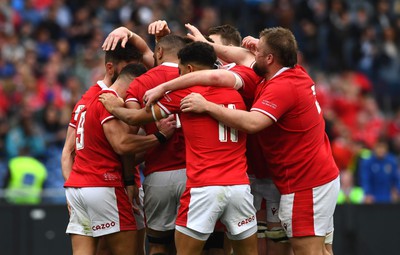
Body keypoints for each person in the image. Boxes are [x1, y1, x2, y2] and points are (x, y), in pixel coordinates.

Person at [177, 28, 340, 255]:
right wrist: (207, 45)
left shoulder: (281, 86)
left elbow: (253, 122)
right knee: (322, 250)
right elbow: (244, 57)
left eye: (259, 51)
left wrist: (208, 106)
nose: (251, 52)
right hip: (317, 176)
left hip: (306, 183)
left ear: (270, 58)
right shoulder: (293, 73)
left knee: (307, 251)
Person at [144, 23, 291, 255]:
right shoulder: (242, 84)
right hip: (244, 181)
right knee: (233, 247)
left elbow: (213, 73)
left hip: (219, 183)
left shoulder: (235, 77)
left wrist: (167, 89)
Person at [99, 41, 258, 255]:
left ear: (189, 70)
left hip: (203, 188)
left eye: (180, 71)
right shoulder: (238, 90)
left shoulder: (184, 94)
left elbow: (134, 117)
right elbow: (245, 59)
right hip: (240, 187)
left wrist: (112, 106)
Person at [64, 63, 173, 255]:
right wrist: (160, 137)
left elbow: (71, 152)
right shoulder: (111, 102)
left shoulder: (88, 101)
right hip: (105, 184)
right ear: (137, 83)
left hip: (78, 187)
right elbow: (122, 145)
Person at [103, 26, 189, 255]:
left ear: (159, 52)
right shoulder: (196, 76)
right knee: (198, 246)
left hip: (158, 175)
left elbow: (128, 140)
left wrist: (130, 180)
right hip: (195, 174)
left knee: (158, 245)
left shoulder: (140, 83)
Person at [359, 138, 400, 204]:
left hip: (389, 196)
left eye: (383, 147)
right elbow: (365, 179)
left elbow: (397, 178)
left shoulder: (392, 161)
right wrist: (367, 193)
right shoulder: (367, 162)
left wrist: (397, 191)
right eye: (378, 147)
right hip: (373, 197)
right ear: (374, 148)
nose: (381, 150)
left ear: (386, 148)